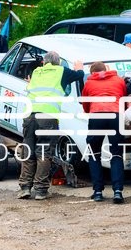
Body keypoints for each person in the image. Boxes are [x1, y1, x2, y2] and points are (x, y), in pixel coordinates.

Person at [18, 51, 84, 200]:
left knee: (28, 151)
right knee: (43, 152)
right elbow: (79, 76)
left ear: (44, 62)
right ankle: (40, 190)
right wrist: (79, 68)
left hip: (29, 115)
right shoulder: (61, 71)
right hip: (47, 117)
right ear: (58, 62)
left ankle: (25, 188)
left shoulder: (37, 72)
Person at [81, 61, 128, 204]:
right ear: (105, 69)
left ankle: (98, 192)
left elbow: (86, 105)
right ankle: (118, 191)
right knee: (116, 154)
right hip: (116, 116)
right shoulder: (119, 80)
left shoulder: (89, 83)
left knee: (94, 153)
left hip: (97, 116)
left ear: (92, 73)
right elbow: (124, 99)